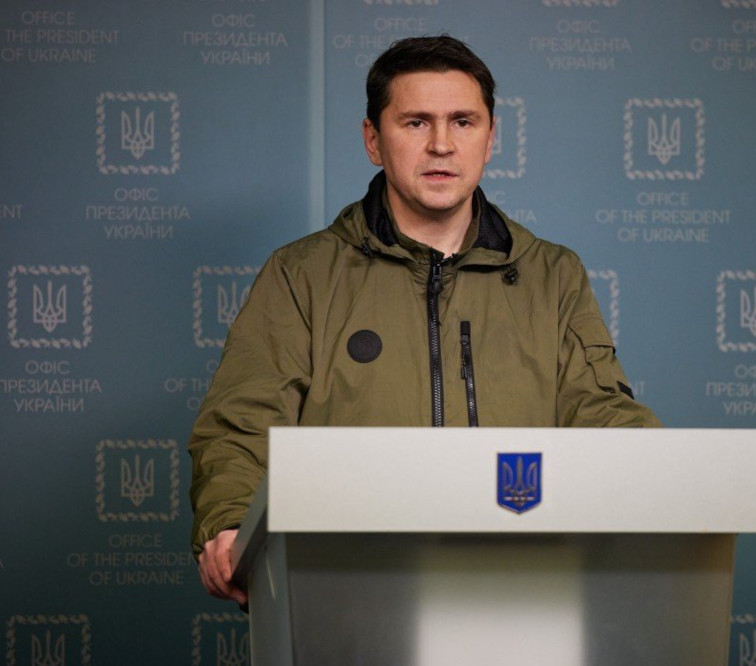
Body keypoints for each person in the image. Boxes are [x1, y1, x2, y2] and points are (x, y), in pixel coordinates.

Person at [189, 35, 660, 605]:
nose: (441, 144)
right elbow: (242, 424)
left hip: (521, 591)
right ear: (373, 139)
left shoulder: (553, 275)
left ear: (491, 138)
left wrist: (667, 487)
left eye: (463, 121)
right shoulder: (301, 274)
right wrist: (231, 522)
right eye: (415, 123)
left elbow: (604, 415)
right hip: (346, 594)